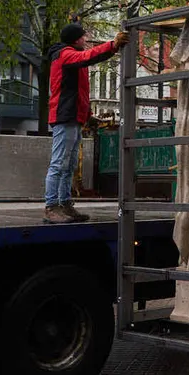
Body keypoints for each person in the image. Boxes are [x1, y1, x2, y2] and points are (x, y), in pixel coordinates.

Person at [45, 22, 128, 224]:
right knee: (59, 163)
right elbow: (88, 57)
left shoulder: (71, 58)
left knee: (70, 163)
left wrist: (87, 114)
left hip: (72, 116)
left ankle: (64, 204)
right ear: (75, 39)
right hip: (65, 116)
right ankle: (51, 206)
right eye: (83, 36)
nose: (86, 39)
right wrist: (112, 45)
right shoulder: (66, 54)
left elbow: (79, 90)